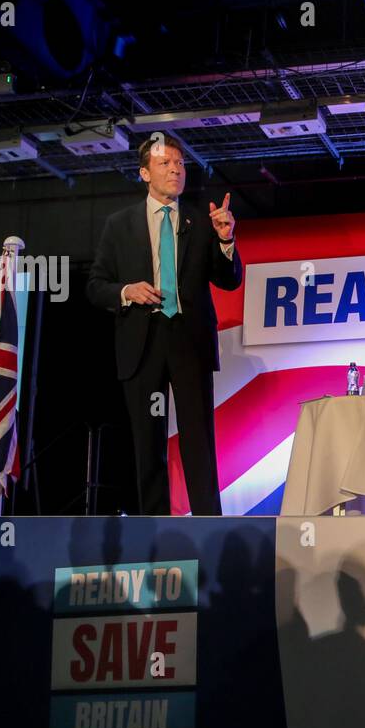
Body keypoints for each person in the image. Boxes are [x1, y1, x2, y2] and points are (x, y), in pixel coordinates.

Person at [86, 134, 241, 515]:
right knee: (148, 443)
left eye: (180, 163)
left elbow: (228, 279)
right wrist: (126, 290)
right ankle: (153, 529)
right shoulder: (119, 225)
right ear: (144, 173)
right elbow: (95, 287)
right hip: (143, 342)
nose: (175, 169)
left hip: (189, 343)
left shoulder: (201, 222)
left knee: (198, 441)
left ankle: (210, 526)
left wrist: (226, 240)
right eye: (165, 163)